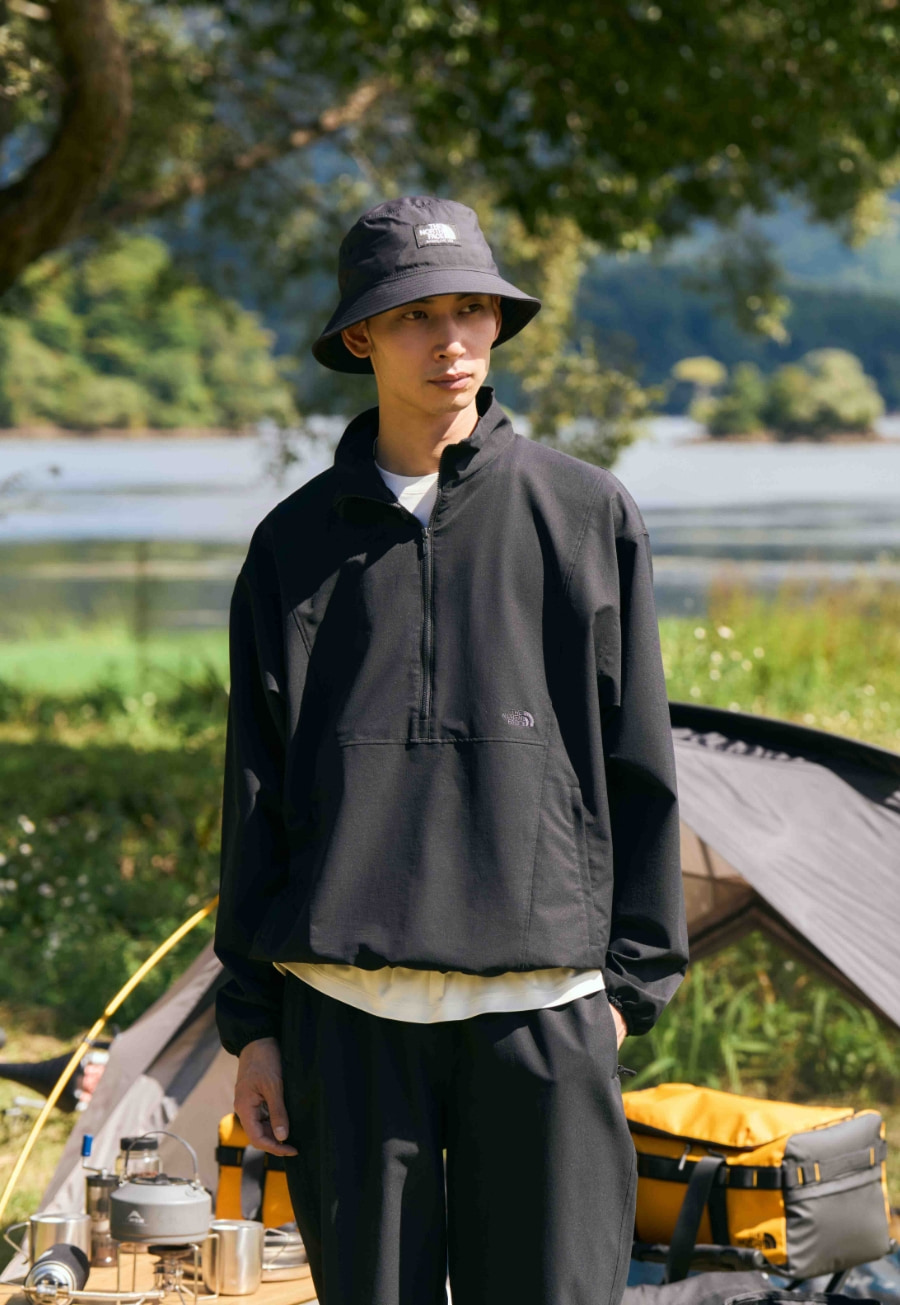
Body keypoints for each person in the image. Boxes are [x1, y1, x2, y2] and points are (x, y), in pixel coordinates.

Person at [214, 195, 689, 1305]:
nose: (453, 340)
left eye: (473, 309)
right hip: (346, 1015)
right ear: (361, 338)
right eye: (416, 315)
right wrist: (254, 1027)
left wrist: (626, 989)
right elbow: (255, 792)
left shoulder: (585, 514)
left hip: (544, 1008)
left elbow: (641, 767)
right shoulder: (292, 545)